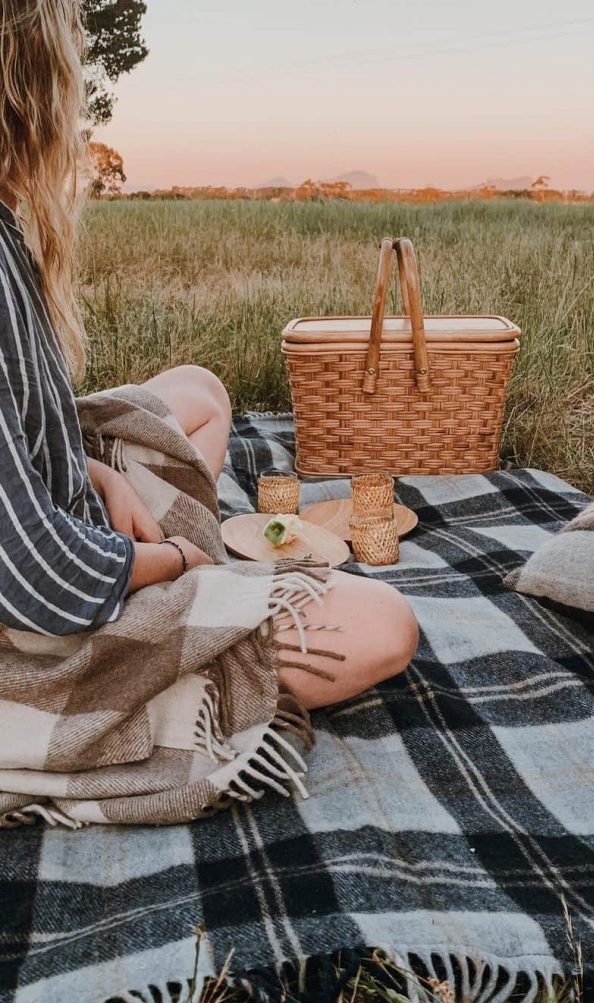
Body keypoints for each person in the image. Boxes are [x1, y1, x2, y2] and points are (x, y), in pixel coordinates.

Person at [0, 0, 418, 711]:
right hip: (34, 625)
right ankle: (101, 709)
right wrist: (173, 563)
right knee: (383, 624)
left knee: (198, 390)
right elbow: (40, 579)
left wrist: (100, 476)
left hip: (47, 535)